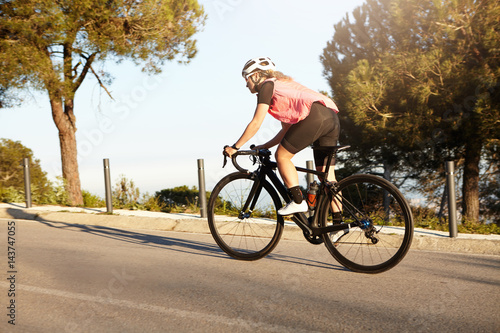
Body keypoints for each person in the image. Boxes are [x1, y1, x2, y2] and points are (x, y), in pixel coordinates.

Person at [224, 57, 341, 216]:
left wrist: (235, 147)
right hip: (331, 118)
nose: (246, 84)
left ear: (257, 75)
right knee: (327, 178)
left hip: (316, 117)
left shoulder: (267, 86)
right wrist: (264, 146)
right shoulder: (283, 86)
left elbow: (256, 122)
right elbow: (286, 130)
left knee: (282, 156)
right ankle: (339, 224)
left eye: (247, 78)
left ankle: (298, 202)